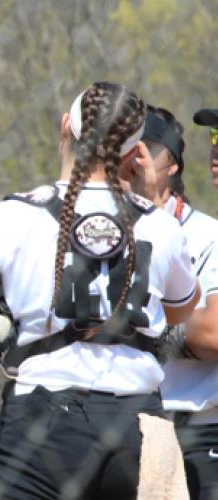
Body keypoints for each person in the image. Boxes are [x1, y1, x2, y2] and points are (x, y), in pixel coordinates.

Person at [0, 81, 201, 499]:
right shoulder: (160, 224)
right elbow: (184, 310)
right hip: (139, 425)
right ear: (134, 154)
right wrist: (147, 199)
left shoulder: (19, 215)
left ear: (65, 127)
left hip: (44, 424)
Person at [147, 106, 218, 499]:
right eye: (215, 139)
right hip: (139, 425)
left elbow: (212, 334)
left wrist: (134, 320)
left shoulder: (207, 233)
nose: (216, 152)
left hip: (203, 425)